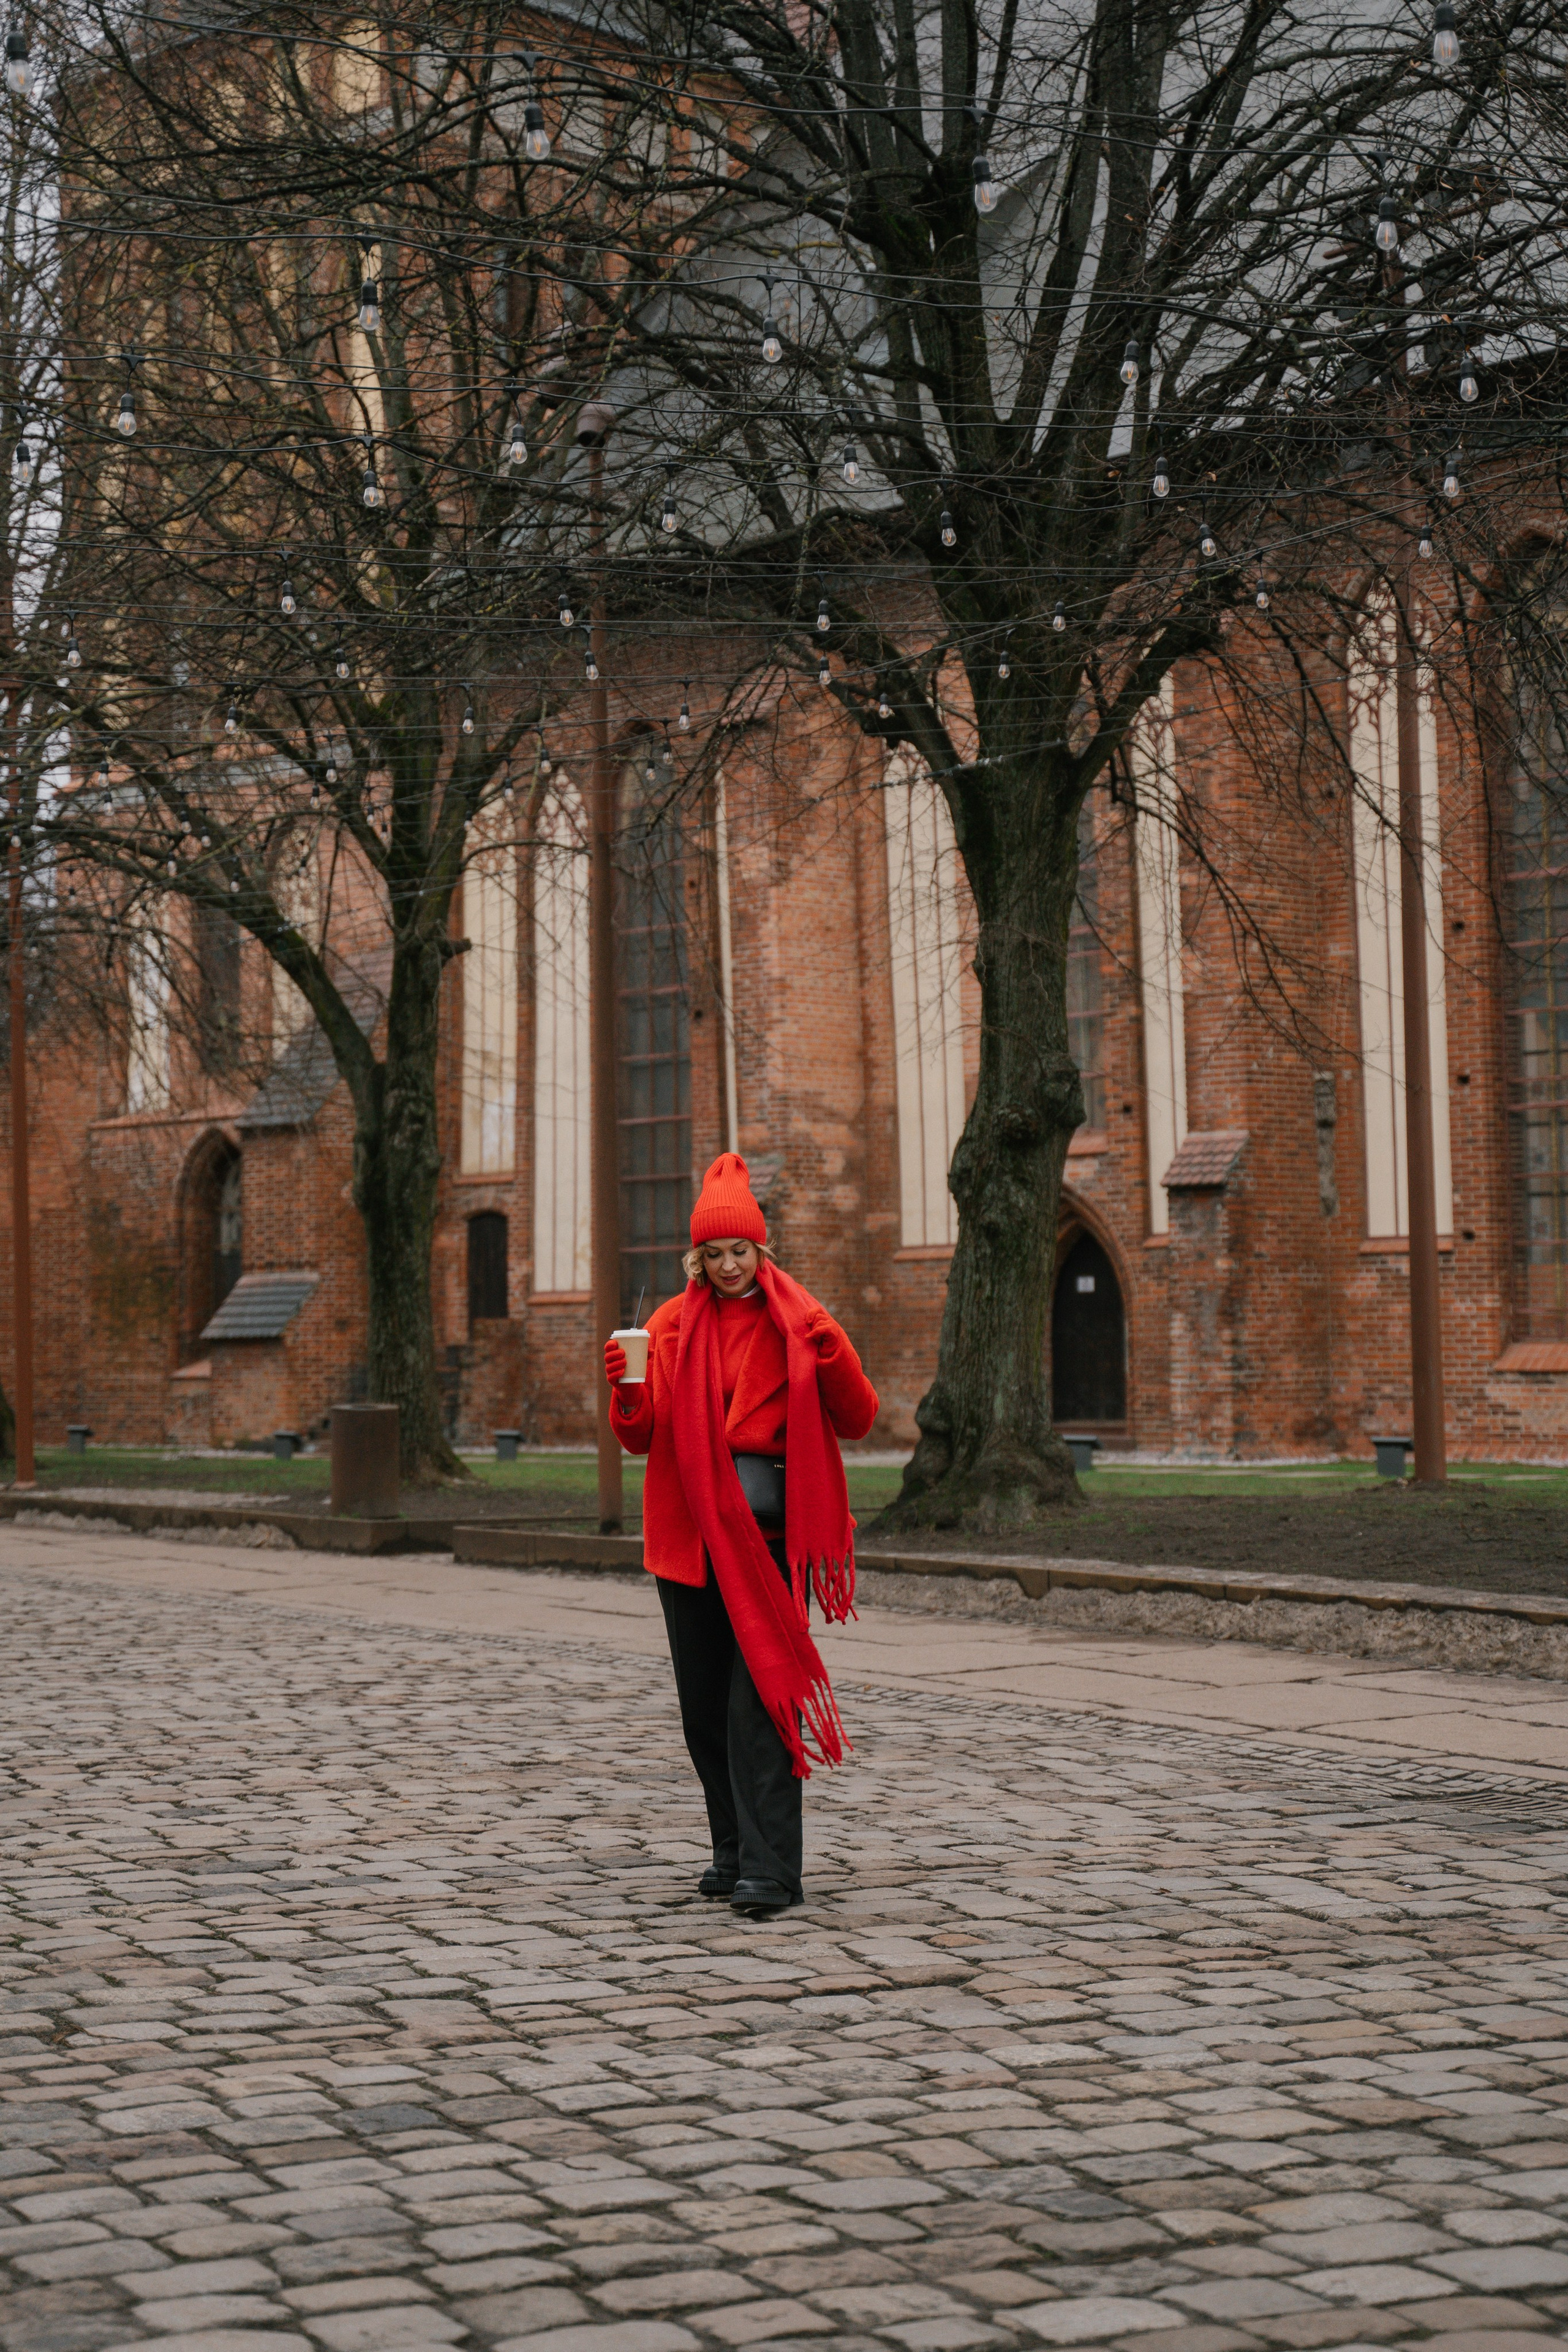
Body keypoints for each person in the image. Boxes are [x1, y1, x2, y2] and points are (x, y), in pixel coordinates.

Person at [604, 1152, 878, 1917]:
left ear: (762, 1250)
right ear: (698, 1256)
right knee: (702, 1710)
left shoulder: (799, 1319)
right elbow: (640, 1438)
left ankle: (771, 1870)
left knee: (758, 1705)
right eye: (715, 1253)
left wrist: (833, 1354)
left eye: (741, 1251)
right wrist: (627, 1388)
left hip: (768, 1538)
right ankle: (729, 1850)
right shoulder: (666, 1325)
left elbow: (857, 1417)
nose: (729, 1266)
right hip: (688, 1538)